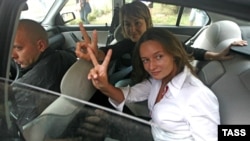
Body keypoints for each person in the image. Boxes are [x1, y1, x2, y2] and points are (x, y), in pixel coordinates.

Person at [75, 1, 247, 108]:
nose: (132, 29)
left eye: (137, 23)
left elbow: (190, 51)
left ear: (147, 21)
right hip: (143, 85)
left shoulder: (161, 40)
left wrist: (216, 55)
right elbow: (109, 53)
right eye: (127, 24)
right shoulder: (129, 43)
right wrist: (95, 53)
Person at [87, 28, 220, 141]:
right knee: (94, 121)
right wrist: (104, 85)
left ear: (174, 53)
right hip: (155, 132)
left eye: (158, 57)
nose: (151, 66)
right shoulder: (158, 80)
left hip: (156, 135)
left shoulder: (196, 95)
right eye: (145, 60)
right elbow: (131, 95)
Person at [11, 19, 76, 126]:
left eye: (18, 48)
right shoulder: (65, 56)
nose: (12, 55)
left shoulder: (26, 87)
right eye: (10, 48)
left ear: (40, 46)